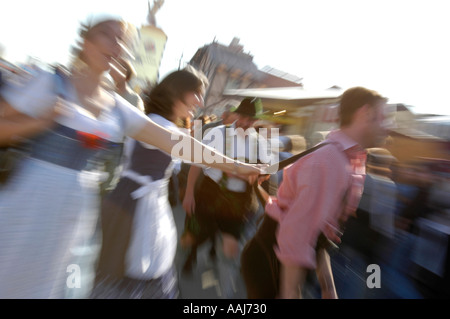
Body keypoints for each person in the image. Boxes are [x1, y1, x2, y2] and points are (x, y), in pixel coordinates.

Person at [0, 14, 260, 299]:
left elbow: (178, 144)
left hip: (77, 207)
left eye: (123, 42)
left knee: (56, 285)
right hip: (35, 195)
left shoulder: (116, 106)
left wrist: (238, 166)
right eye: (108, 35)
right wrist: (40, 122)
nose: (117, 46)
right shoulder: (51, 82)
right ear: (85, 41)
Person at [243, 86, 389, 299]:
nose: (388, 126)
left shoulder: (345, 159)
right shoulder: (330, 161)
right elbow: (297, 233)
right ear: (365, 113)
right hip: (272, 264)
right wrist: (292, 292)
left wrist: (328, 288)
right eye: (383, 117)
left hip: (281, 262)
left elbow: (319, 231)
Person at [91, 68, 208, 299]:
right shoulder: (159, 126)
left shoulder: (162, 124)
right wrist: (241, 167)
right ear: (178, 91)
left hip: (143, 201)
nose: (201, 101)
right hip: (134, 205)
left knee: (135, 268)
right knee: (128, 269)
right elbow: (199, 155)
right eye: (196, 93)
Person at [181, 97, 276, 296]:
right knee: (191, 238)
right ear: (235, 115)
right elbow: (197, 164)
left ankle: (226, 294)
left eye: (251, 119)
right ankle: (193, 254)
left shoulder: (260, 143)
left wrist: (258, 177)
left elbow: (266, 174)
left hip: (239, 201)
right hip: (210, 193)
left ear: (256, 121)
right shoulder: (216, 133)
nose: (245, 122)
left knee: (230, 251)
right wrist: (189, 193)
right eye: (243, 117)